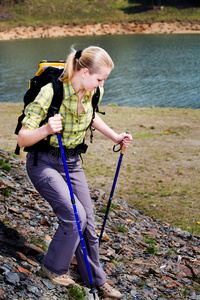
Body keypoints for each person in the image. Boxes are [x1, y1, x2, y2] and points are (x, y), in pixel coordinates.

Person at [17, 46, 132, 299]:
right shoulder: (51, 92)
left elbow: (90, 117)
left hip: (72, 162)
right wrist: (46, 129)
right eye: (99, 79)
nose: (102, 84)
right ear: (83, 72)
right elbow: (23, 139)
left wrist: (115, 136)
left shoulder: (93, 91)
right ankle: (52, 267)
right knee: (75, 215)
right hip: (43, 162)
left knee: (88, 222)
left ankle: (95, 279)